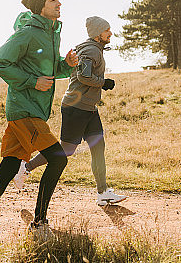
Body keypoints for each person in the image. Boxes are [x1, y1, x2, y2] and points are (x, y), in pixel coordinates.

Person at [0, 0, 78, 241]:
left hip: (31, 110)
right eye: (53, 0)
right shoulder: (27, 33)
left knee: (7, 168)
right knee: (58, 159)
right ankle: (39, 223)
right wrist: (31, 81)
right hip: (24, 109)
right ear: (40, 7)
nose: (59, 3)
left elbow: (47, 70)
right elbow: (0, 63)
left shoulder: (51, 34)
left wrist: (65, 65)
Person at [13, 16, 126, 206]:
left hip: (88, 108)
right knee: (66, 149)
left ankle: (103, 192)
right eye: (107, 30)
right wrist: (103, 83)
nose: (110, 33)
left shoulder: (94, 48)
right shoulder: (90, 50)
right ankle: (26, 167)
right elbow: (84, 76)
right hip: (76, 108)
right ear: (98, 33)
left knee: (98, 147)